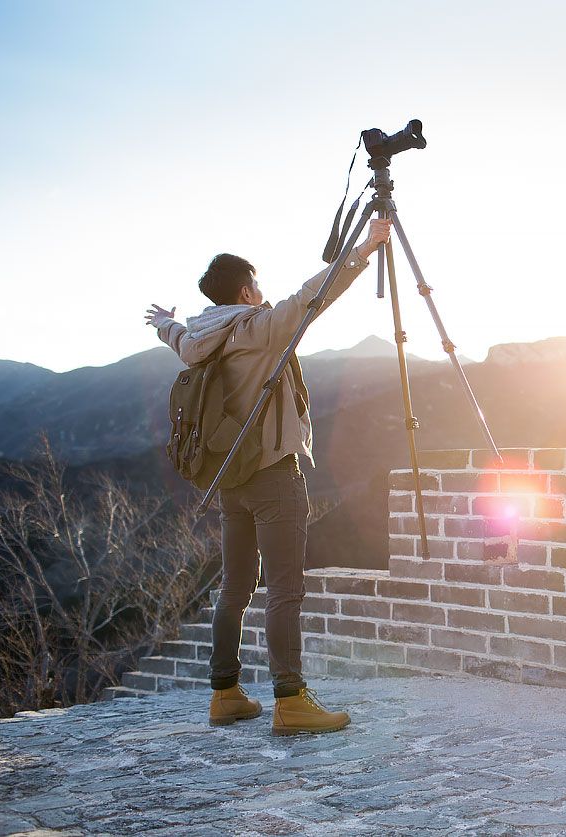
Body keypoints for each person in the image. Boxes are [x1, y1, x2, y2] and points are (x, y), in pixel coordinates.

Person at [144, 219, 391, 735]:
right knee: (285, 589)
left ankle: (225, 694)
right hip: (272, 473)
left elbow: (179, 340)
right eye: (256, 283)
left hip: (228, 476)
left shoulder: (199, 336)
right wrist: (365, 246)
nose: (263, 291)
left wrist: (166, 322)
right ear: (245, 290)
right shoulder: (257, 327)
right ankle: (291, 699)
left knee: (235, 585)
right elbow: (312, 296)